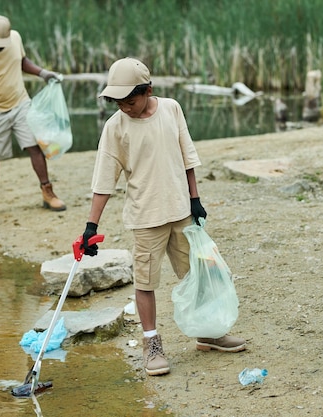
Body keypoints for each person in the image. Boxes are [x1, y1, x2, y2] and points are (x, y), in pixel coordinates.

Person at [79, 57, 246, 376]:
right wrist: (91, 226)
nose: (124, 107)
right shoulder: (115, 127)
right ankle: (151, 343)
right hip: (145, 219)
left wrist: (195, 199)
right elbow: (104, 181)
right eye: (118, 101)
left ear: (148, 90)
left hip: (182, 212)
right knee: (146, 282)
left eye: (130, 100)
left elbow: (188, 157)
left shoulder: (172, 108)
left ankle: (208, 332)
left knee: (195, 276)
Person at [0, 15, 66, 218]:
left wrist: (42, 73)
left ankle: (48, 192)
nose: (0, 46)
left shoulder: (15, 38)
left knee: (35, 147)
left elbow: (22, 61)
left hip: (20, 104)